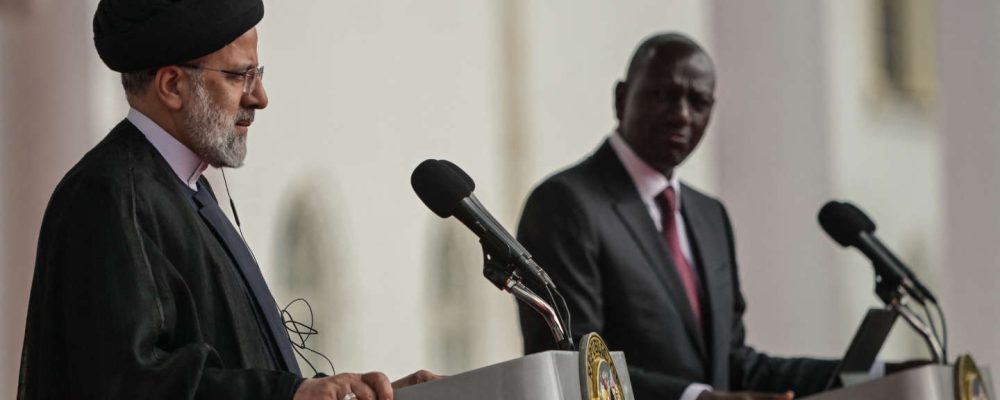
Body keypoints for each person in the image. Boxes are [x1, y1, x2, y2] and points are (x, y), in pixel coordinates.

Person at [17, 1, 436, 399]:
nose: (259, 97)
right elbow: (126, 387)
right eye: (241, 76)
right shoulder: (109, 197)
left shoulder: (184, 189)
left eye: (258, 74)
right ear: (173, 85)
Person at [516, 32, 838, 400]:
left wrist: (869, 372)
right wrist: (696, 398)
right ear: (621, 98)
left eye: (698, 101)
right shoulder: (565, 204)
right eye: (662, 95)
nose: (682, 114)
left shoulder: (710, 215)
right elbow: (571, 364)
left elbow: (733, 365)